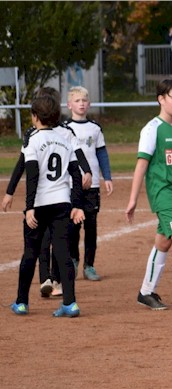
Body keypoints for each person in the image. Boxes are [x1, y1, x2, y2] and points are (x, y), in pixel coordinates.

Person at [3, 87, 92, 298]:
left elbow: (76, 154)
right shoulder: (33, 135)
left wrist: (86, 169)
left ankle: (50, 282)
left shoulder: (60, 133)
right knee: (48, 242)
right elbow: (22, 164)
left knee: (52, 243)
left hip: (48, 197)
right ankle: (48, 280)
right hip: (60, 198)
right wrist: (10, 190)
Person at [125, 78, 172, 311]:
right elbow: (141, 165)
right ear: (161, 99)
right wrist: (133, 200)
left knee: (164, 241)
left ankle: (146, 292)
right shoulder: (151, 129)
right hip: (162, 193)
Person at [64, 86, 113, 281]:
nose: (81, 104)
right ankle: (74, 260)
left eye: (84, 100)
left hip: (92, 186)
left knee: (91, 227)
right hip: (71, 186)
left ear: (89, 104)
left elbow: (101, 153)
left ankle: (89, 266)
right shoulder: (65, 129)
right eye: (77, 101)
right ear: (69, 105)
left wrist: (107, 177)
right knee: (73, 227)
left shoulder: (95, 128)